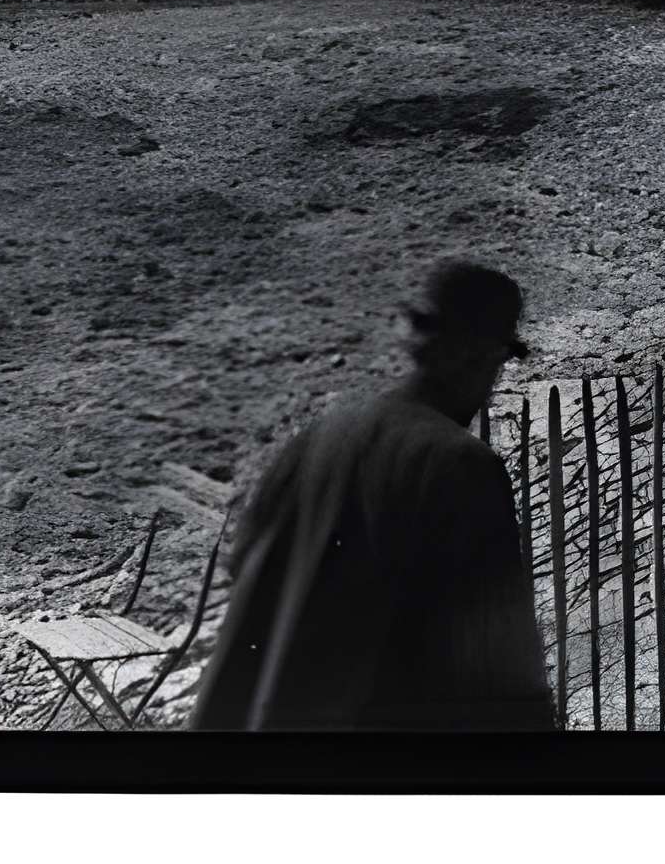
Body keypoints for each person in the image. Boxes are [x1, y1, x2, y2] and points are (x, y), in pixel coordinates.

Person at [190, 261, 558, 732]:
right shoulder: (460, 465)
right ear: (477, 355)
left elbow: (246, 572)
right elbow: (497, 658)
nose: (493, 383)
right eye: (497, 362)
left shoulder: (317, 439)